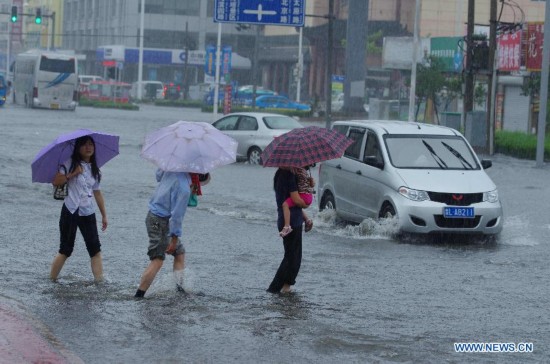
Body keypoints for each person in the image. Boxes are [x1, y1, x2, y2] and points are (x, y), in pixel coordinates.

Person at [50, 136, 108, 282]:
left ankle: (99, 283)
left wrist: (104, 215)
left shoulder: (95, 169)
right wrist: (73, 173)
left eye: (91, 145)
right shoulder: (69, 163)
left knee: (95, 250)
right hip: (70, 209)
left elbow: (97, 192)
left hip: (88, 211)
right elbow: (56, 181)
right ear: (78, 148)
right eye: (84, 145)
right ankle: (51, 280)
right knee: (65, 250)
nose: (88, 147)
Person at [134, 170, 193, 298]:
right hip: (160, 221)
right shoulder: (184, 189)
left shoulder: (171, 169)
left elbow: (158, 175)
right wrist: (174, 239)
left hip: (153, 216)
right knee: (158, 259)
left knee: (179, 252)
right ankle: (139, 295)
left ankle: (180, 289)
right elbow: (177, 216)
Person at [267, 167, 312, 294]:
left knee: (292, 256)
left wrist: (306, 218)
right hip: (292, 222)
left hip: (287, 219)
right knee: (292, 257)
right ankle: (275, 288)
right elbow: (296, 200)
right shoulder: (289, 175)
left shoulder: (278, 174)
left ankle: (285, 287)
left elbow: (290, 202)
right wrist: (307, 203)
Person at [279, 166, 314, 237]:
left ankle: (287, 226)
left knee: (285, 205)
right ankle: (307, 220)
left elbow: (288, 171)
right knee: (295, 205)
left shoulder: (296, 170)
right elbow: (311, 184)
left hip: (303, 196)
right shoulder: (305, 172)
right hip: (309, 196)